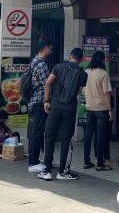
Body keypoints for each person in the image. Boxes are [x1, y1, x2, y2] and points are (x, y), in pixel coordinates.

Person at [38, 48, 88, 181]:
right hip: (70, 109)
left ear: (70, 56)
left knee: (49, 137)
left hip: (54, 107)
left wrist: (46, 101)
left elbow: (47, 83)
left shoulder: (58, 67)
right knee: (66, 140)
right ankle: (63, 172)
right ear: (81, 59)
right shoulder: (83, 74)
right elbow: (78, 92)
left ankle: (46, 171)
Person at [82, 51, 113, 171]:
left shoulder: (86, 72)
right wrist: (110, 110)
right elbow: (106, 94)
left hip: (89, 108)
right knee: (100, 136)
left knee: (88, 135)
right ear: (102, 60)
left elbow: (83, 91)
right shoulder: (103, 74)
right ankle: (99, 163)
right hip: (101, 109)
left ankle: (86, 161)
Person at [27, 38, 53, 173]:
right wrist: (47, 101)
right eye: (49, 47)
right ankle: (33, 162)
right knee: (38, 131)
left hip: (34, 100)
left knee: (38, 130)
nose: (51, 50)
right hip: (40, 101)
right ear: (45, 48)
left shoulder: (34, 61)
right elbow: (47, 83)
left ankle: (39, 159)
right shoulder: (42, 64)